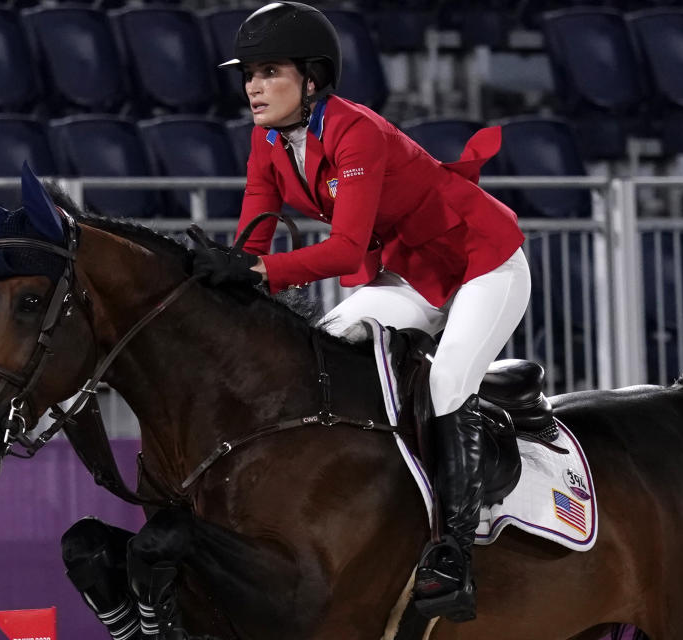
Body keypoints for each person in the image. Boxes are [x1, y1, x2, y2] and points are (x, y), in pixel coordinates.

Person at [193, 1, 531, 623]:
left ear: (312, 79)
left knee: (448, 378)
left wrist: (258, 271)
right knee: (328, 347)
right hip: (414, 269)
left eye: (270, 72)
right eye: (249, 74)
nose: (253, 87)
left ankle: (450, 555)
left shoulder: (357, 131)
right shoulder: (267, 142)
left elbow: (344, 248)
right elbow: (253, 244)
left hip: (484, 258)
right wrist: (212, 282)